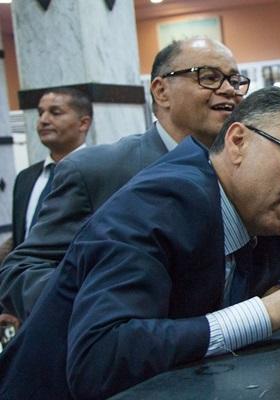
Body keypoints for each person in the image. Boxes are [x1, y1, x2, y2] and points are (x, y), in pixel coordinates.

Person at [0, 87, 280, 399]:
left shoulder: (267, 215)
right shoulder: (160, 204)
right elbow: (100, 358)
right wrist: (265, 314)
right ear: (238, 141)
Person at [0, 37, 249, 321]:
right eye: (210, 77)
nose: (228, 90)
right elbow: (22, 270)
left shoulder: (242, 170)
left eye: (235, 80)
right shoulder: (97, 170)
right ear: (161, 91)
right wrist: (100, 306)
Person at [10, 88, 92, 248]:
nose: (43, 120)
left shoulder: (103, 173)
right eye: (40, 113)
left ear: (83, 123)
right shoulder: (25, 178)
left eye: (55, 112)